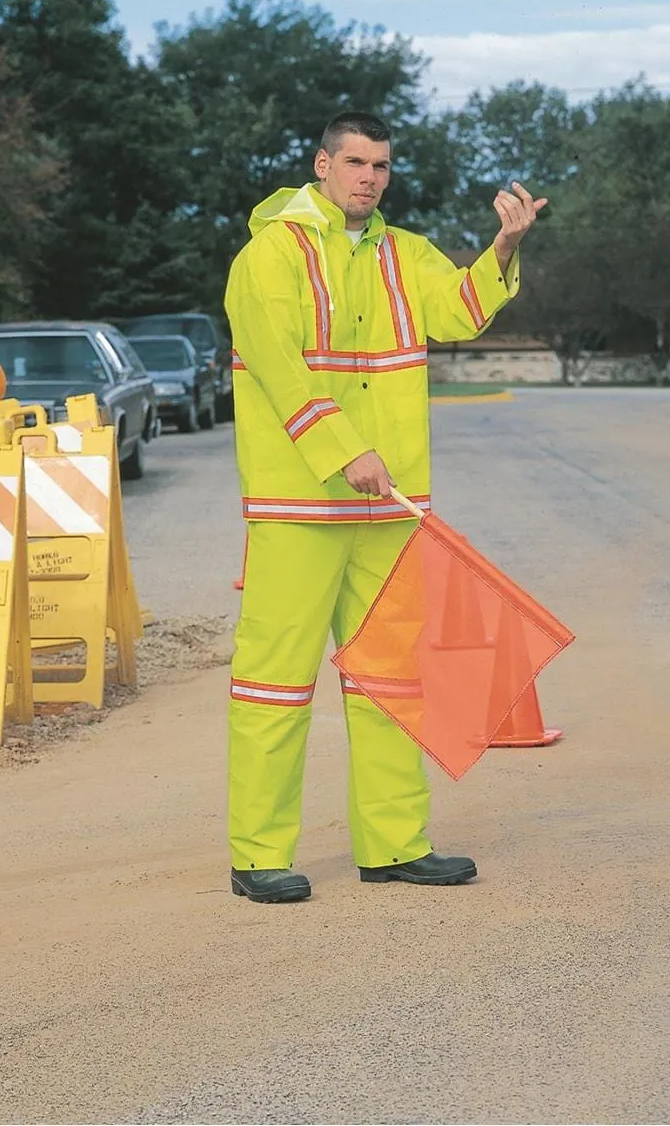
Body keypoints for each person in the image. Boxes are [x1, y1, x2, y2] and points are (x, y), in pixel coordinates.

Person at [223, 111, 547, 904]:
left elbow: (459, 310)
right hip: (299, 506)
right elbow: (279, 369)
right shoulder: (270, 255)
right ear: (321, 163)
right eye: (357, 162)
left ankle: (395, 846)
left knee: (393, 684)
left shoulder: (405, 253)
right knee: (274, 684)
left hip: (389, 511)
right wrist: (344, 450)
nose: (370, 177)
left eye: (382, 166)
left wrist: (501, 250)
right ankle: (258, 854)